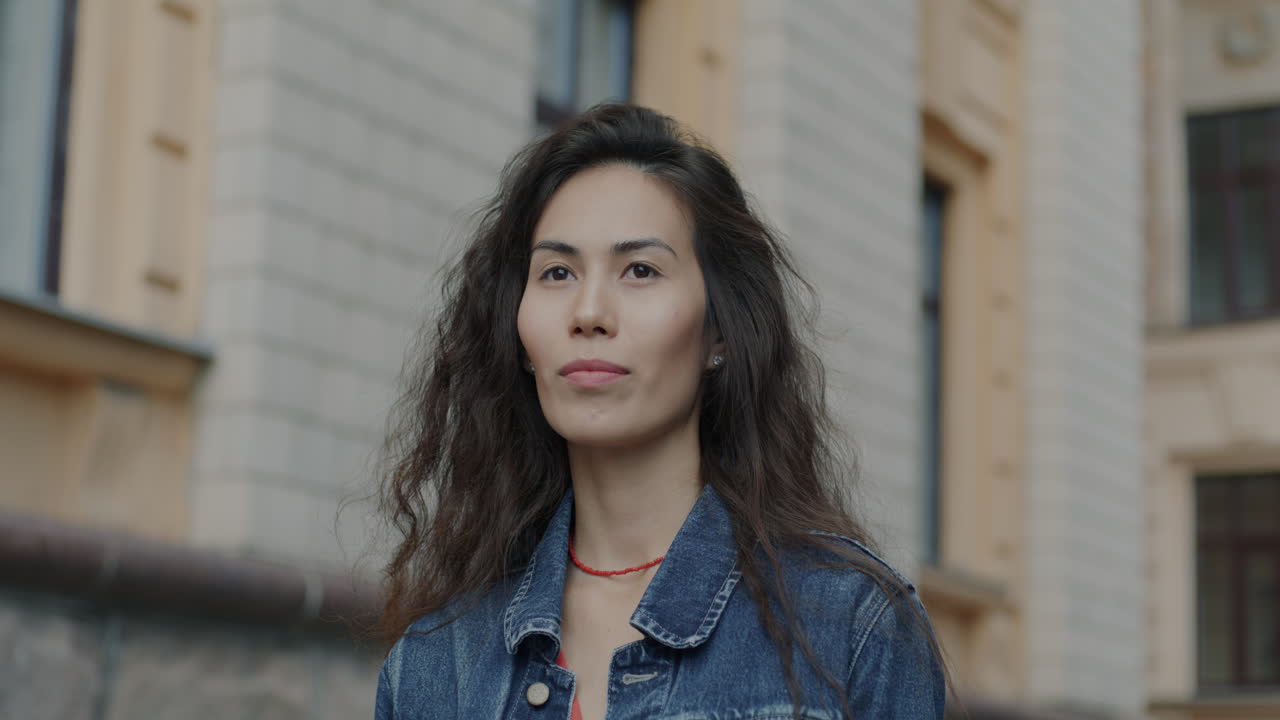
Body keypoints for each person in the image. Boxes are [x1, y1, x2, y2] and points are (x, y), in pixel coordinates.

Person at [372, 103, 947, 719]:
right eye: (557, 272)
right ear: (519, 334)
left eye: (640, 270)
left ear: (720, 332)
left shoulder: (850, 626)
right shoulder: (435, 665)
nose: (588, 312)